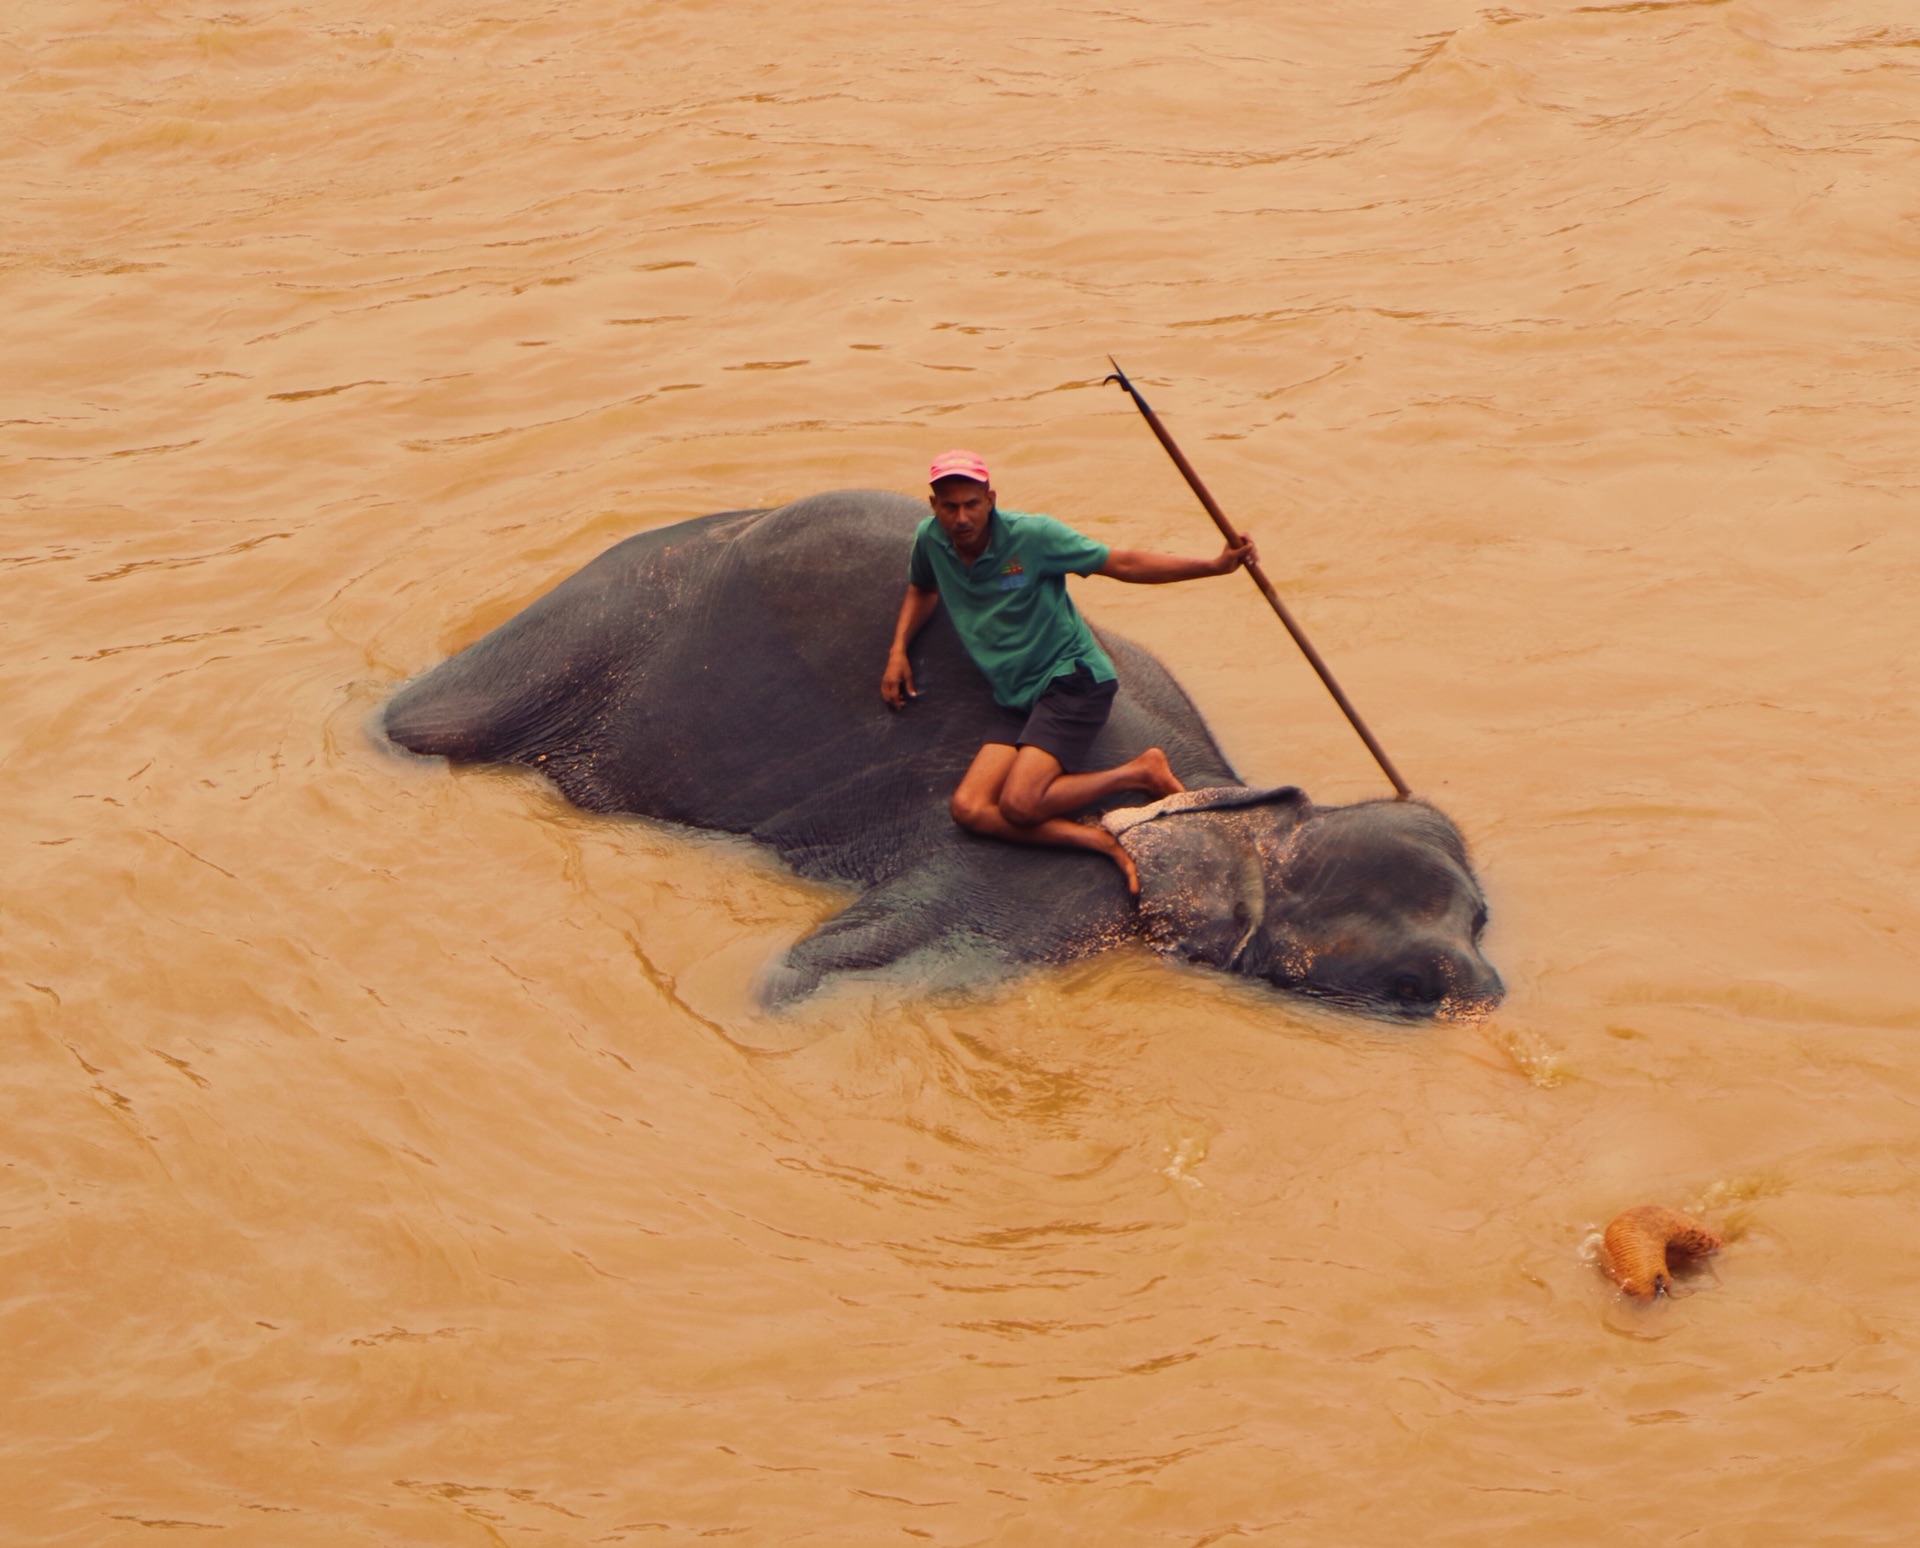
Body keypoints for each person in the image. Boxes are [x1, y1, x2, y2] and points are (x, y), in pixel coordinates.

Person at [881, 449, 1256, 895]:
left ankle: (1140, 771)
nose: (962, 517)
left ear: (991, 499)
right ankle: (1101, 842)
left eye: (972, 504)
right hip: (1016, 694)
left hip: (1070, 679)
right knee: (969, 808)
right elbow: (921, 588)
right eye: (949, 506)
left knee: (1021, 804)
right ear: (933, 506)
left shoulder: (1033, 537)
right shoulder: (930, 539)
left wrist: (1212, 567)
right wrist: (898, 648)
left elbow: (1123, 563)